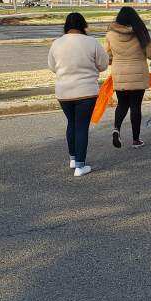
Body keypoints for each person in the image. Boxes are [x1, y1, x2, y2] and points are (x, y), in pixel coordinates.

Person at [47, 12, 109, 177]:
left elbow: (52, 67)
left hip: (63, 92)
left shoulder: (57, 43)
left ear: (66, 26)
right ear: (83, 25)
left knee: (71, 123)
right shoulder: (91, 42)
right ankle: (80, 166)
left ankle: (73, 158)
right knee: (82, 126)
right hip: (86, 91)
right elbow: (103, 65)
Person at [104, 6, 151, 148]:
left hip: (119, 73)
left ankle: (116, 129)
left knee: (122, 104)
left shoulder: (110, 34)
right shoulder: (141, 32)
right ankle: (136, 140)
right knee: (135, 107)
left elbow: (108, 56)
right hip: (138, 74)